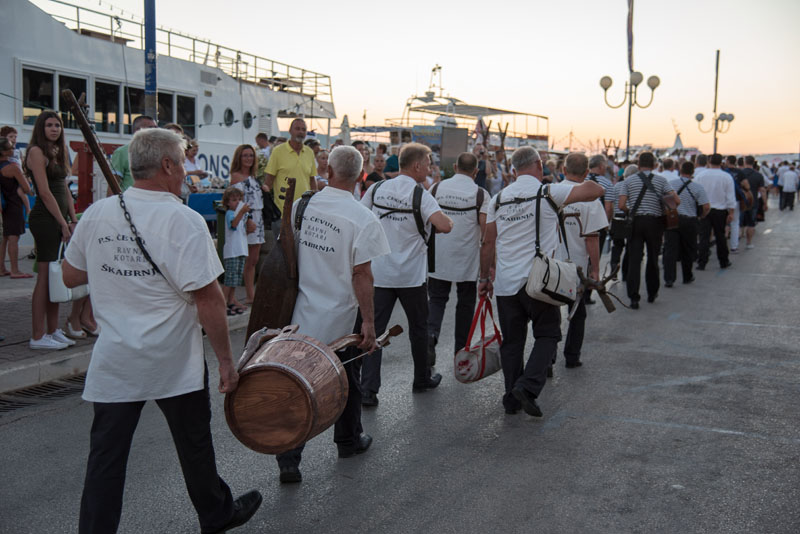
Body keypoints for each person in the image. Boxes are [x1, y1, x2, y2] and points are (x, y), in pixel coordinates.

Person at [62, 128, 261, 534]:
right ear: (167, 165)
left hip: (116, 358)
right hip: (174, 360)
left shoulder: (99, 213)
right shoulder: (183, 220)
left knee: (106, 459)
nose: (186, 171)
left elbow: (69, 276)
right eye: (183, 162)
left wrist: (106, 256)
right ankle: (216, 513)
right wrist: (226, 362)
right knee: (193, 445)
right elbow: (209, 300)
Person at [274, 145, 390, 483]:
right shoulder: (362, 218)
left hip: (300, 311)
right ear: (359, 176)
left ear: (328, 171)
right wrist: (369, 322)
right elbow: (362, 275)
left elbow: (289, 255)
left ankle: (290, 457)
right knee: (348, 377)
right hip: (342, 315)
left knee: (298, 385)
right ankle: (349, 440)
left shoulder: (302, 206)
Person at [478, 147, 603, 416]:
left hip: (506, 282)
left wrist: (483, 278)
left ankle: (511, 398)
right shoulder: (548, 192)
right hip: (539, 280)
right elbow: (595, 190)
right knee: (548, 334)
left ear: (512, 169)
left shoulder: (498, 198)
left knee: (512, 342)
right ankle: (528, 385)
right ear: (539, 164)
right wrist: (573, 180)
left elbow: (487, 242)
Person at [360, 143, 454, 406]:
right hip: (411, 277)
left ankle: (368, 390)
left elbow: (360, 216)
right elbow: (444, 225)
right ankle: (421, 378)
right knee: (419, 329)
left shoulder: (376, 189)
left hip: (379, 273)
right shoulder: (421, 194)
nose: (430, 167)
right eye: (428, 163)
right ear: (416, 166)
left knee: (375, 332)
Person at [426, 152, 489, 365]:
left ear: (454, 166)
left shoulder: (435, 188)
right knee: (465, 305)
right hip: (467, 261)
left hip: (438, 258)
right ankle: (460, 353)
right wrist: (487, 271)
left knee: (436, 300)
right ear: (476, 171)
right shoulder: (480, 194)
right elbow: (486, 234)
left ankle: (431, 335)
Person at [25, 111, 78, 350]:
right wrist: (61, 222)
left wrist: (73, 218)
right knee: (45, 277)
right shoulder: (36, 152)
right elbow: (44, 193)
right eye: (49, 125)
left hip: (60, 218)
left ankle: (53, 329)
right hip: (45, 219)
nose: (54, 129)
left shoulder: (59, 151)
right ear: (41, 128)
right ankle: (38, 336)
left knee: (56, 278)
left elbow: (64, 188)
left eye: (57, 125)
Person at [556, 153, 608, 370]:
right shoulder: (590, 201)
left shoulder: (550, 193)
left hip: (550, 263)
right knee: (576, 312)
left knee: (548, 311)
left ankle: (547, 357)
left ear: (563, 170)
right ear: (587, 173)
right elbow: (592, 239)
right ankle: (571, 356)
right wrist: (595, 270)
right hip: (576, 266)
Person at [617, 151, 679, 308]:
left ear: (638, 165)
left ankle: (634, 297)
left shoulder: (629, 181)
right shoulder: (662, 180)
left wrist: (631, 211)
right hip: (655, 223)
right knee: (652, 258)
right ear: (654, 165)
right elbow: (676, 201)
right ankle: (652, 293)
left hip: (636, 222)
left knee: (634, 260)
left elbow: (621, 205)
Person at [662, 161, 710, 287]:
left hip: (672, 219)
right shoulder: (698, 187)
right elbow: (706, 206)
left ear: (680, 171)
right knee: (688, 250)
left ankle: (669, 278)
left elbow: (663, 201)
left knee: (670, 249)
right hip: (690, 220)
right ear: (692, 172)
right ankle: (687, 276)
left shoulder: (670, 184)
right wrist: (702, 216)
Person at [230, 144, 266, 304]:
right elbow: (236, 201)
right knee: (244, 258)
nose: (248, 158)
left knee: (254, 259)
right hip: (247, 218)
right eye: (245, 155)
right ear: (239, 157)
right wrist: (248, 219)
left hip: (258, 218)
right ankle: (243, 295)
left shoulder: (254, 177)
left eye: (251, 155)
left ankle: (251, 294)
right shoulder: (236, 177)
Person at [264, 118, 317, 216]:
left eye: (303, 129)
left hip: (304, 210)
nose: (300, 132)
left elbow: (312, 179)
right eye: (297, 128)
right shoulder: (278, 151)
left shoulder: (309, 152)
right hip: (282, 211)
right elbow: (269, 180)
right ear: (290, 131)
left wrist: (314, 200)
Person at [694, 154, 736, 270]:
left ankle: (702, 262)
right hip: (720, 211)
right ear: (721, 162)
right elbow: (730, 197)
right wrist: (731, 212)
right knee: (720, 236)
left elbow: (696, 194)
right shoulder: (726, 177)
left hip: (705, 209)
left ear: (709, 161)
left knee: (704, 237)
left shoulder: (701, 176)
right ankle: (723, 261)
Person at [0, 137, 33, 278]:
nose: (13, 149)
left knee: (4, 238)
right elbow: (26, 188)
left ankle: (1, 268)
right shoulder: (12, 167)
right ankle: (15, 270)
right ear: (3, 152)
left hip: (3, 204)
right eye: (10, 147)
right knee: (14, 238)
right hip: (14, 203)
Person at [605, 164, 638, 282]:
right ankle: (626, 272)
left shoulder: (617, 186)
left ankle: (614, 268)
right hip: (630, 219)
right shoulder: (636, 186)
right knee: (630, 247)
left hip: (617, 219)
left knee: (617, 246)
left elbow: (612, 204)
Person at [110, 115, 157, 192]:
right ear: (137, 131)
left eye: (156, 128)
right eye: (151, 128)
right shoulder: (121, 152)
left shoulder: (159, 152)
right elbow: (113, 184)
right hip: (128, 201)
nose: (156, 132)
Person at [221, 187, 249, 315]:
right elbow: (233, 225)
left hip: (241, 249)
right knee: (229, 278)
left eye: (239, 199)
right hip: (232, 251)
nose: (237, 202)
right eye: (233, 200)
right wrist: (242, 213)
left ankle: (231, 300)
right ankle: (221, 303)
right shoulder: (230, 214)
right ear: (227, 202)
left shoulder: (240, 215)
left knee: (236, 279)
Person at [738, 155, 767, 248]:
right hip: (753, 202)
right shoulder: (758, 175)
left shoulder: (739, 173)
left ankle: (736, 242)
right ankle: (749, 242)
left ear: (744, 162)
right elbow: (762, 190)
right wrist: (765, 202)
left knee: (738, 223)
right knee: (751, 223)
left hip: (740, 201)